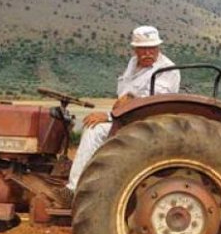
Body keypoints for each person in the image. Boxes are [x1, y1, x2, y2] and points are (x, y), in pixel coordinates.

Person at [58, 25, 180, 207]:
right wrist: (121, 105)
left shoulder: (167, 70)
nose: (148, 53)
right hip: (127, 117)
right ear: (135, 49)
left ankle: (74, 189)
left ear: (158, 47)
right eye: (143, 49)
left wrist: (110, 115)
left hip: (147, 122)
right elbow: (124, 97)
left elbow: (150, 104)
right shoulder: (132, 64)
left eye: (152, 48)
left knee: (95, 129)